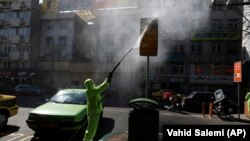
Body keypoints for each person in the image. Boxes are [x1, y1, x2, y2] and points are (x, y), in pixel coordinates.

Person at [83, 73, 112, 141]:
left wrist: (107, 79)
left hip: (96, 112)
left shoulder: (93, 90)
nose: (93, 83)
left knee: (94, 130)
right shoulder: (89, 91)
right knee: (90, 130)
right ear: (89, 84)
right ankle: (86, 140)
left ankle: (90, 140)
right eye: (91, 82)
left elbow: (100, 87)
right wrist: (107, 81)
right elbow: (99, 89)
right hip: (93, 112)